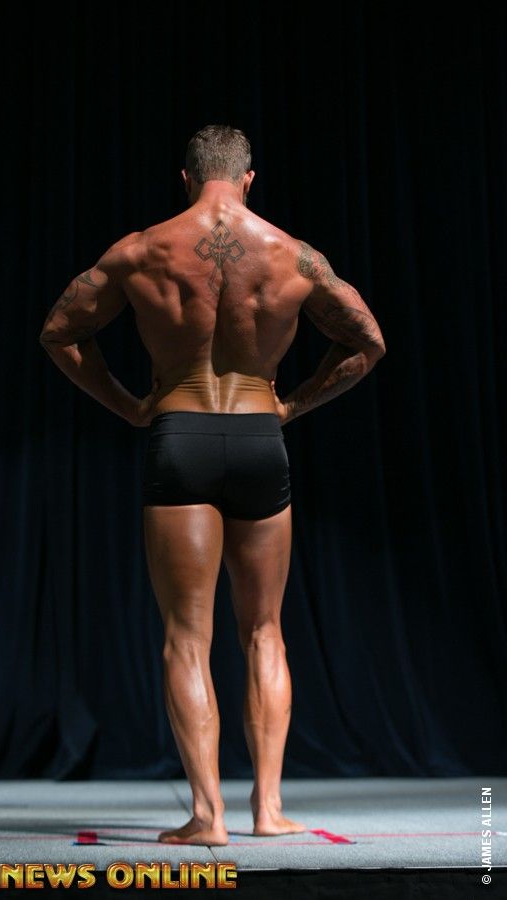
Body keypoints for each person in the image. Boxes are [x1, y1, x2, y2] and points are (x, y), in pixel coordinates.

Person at [39, 124, 386, 846]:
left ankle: (207, 817)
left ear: (187, 178)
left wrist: (130, 405)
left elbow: (59, 333)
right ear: (249, 178)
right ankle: (268, 809)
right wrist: (293, 405)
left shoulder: (142, 250)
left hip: (180, 437)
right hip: (261, 440)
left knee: (187, 638)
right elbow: (368, 342)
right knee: (265, 631)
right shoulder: (293, 254)